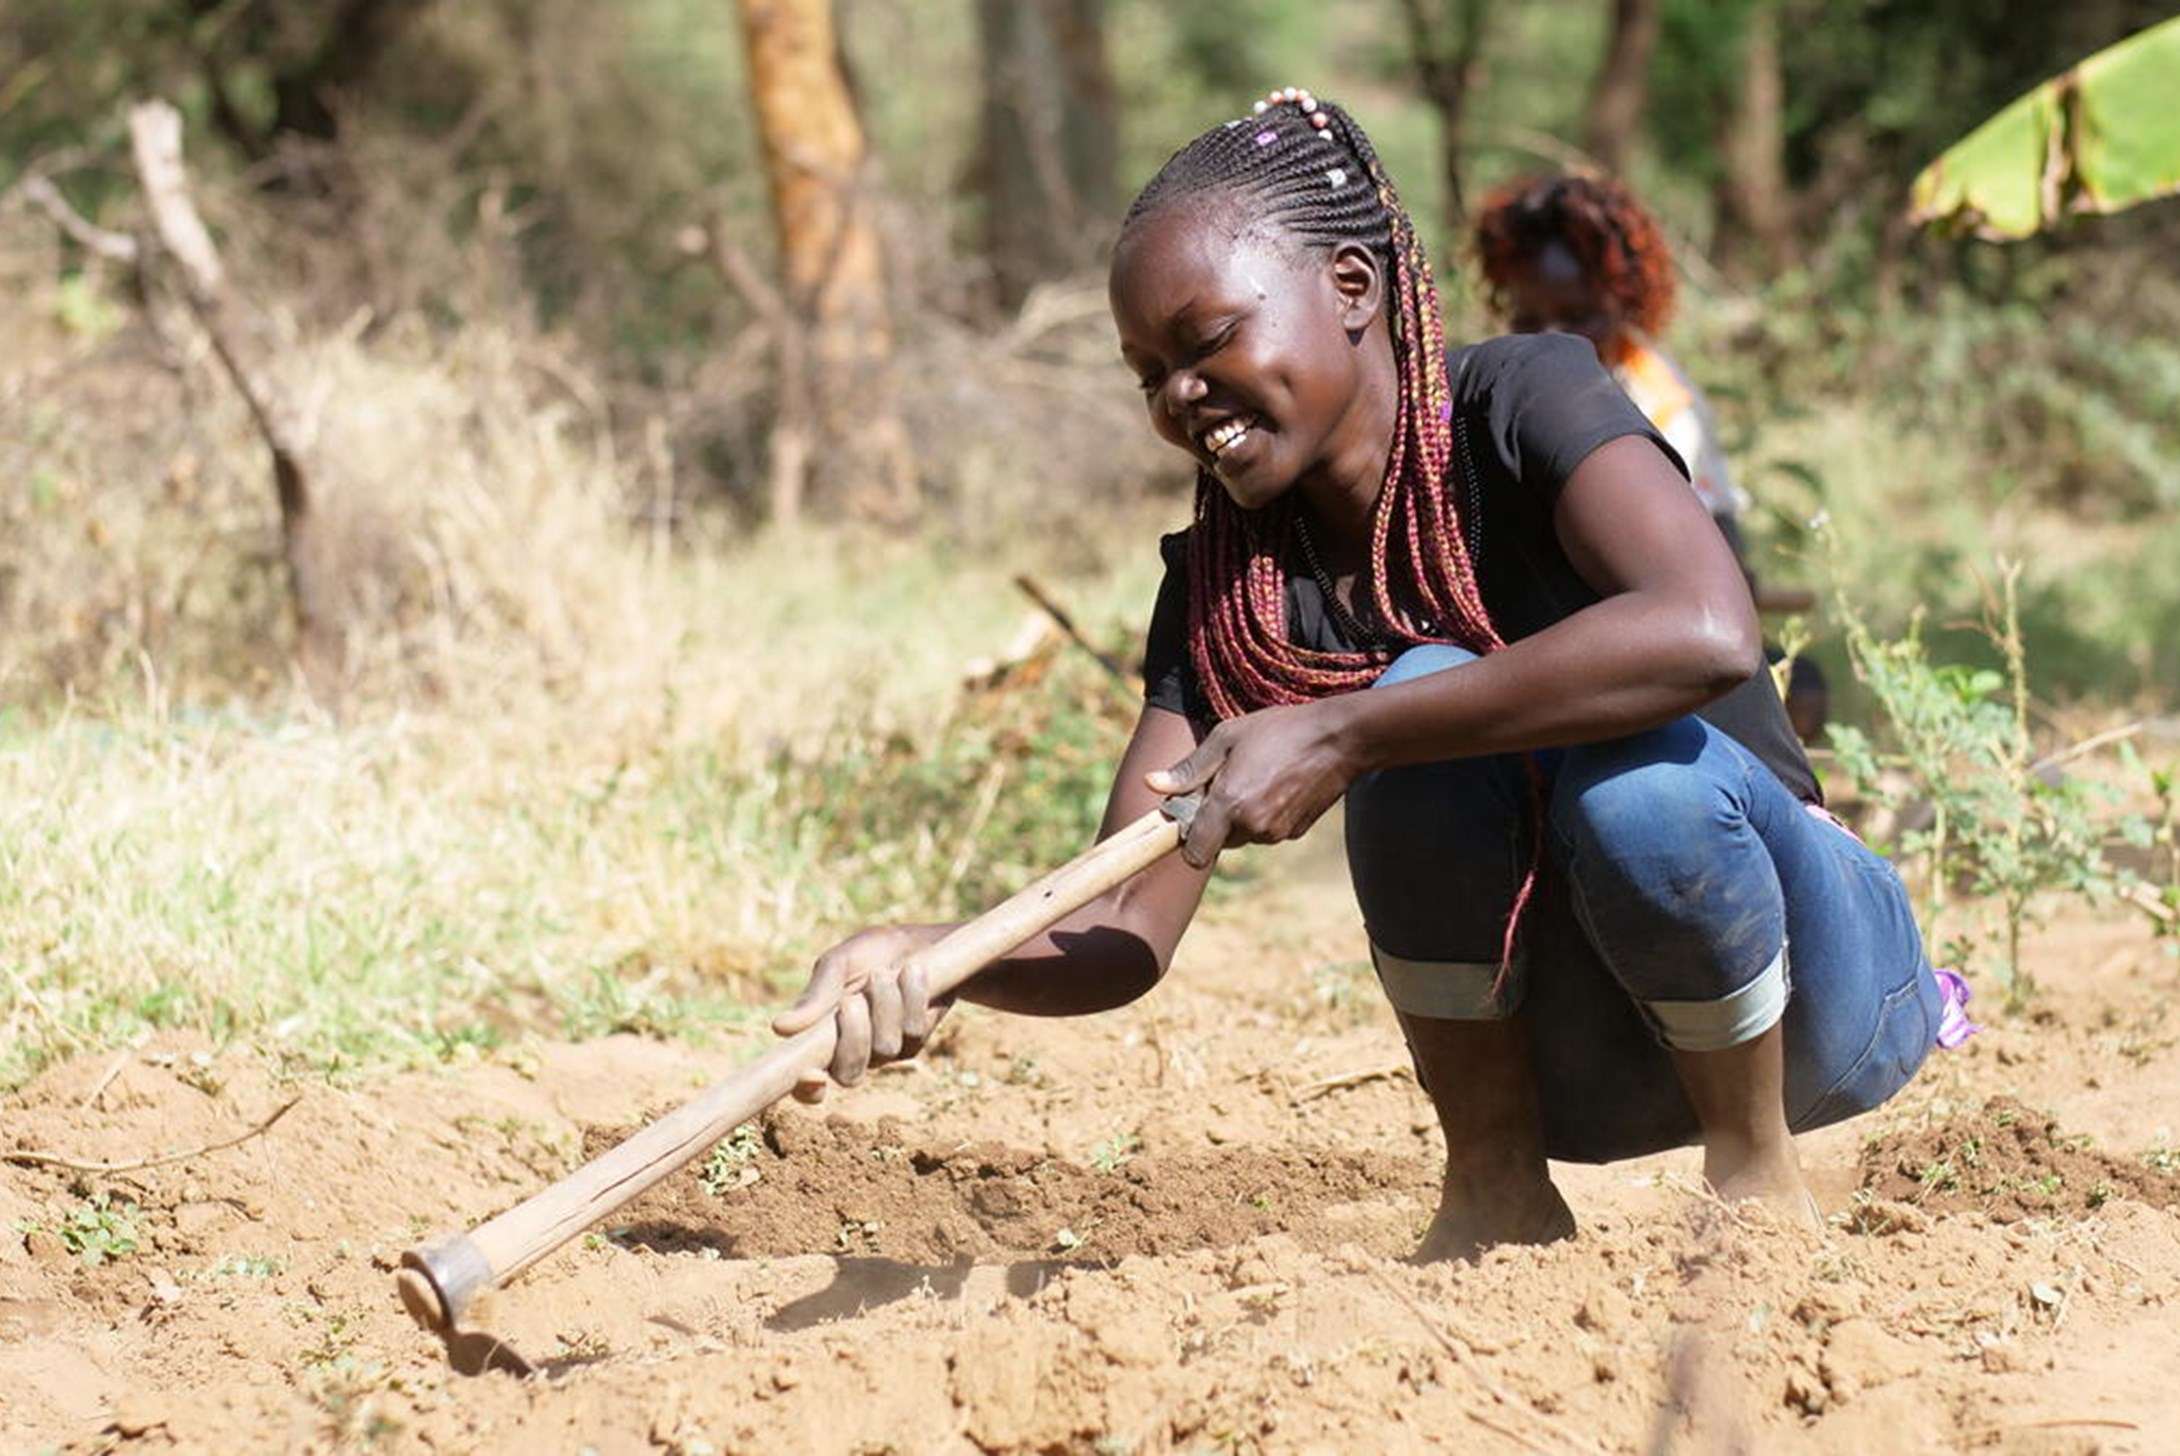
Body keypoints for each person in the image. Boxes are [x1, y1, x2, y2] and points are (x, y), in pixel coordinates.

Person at [776, 89, 1960, 1261]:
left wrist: (1349, 731)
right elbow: (1122, 922)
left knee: (1583, 768)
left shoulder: (1522, 402)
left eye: (1204, 342)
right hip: (1584, 1071)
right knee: (1416, 701)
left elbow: (1705, 628)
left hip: (1813, 1000)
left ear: (1352, 287)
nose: (1180, 397)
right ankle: (1494, 1186)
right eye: (1147, 374)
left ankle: (1753, 1188)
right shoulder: (1229, 589)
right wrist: (932, 959)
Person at [1472, 173, 1829, 743]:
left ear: (1623, 300)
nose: (1552, 338)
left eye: (1578, 315)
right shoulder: (1496, 385)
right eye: (1528, 321)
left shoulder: (1661, 400)